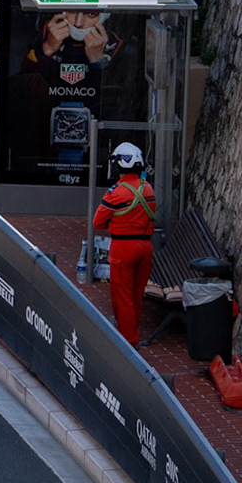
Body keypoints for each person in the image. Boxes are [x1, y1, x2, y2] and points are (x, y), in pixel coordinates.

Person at [92, 142, 157, 345]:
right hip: (145, 248)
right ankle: (132, 334)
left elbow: (98, 222)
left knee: (123, 298)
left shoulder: (115, 193)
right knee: (137, 296)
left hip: (123, 248)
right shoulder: (148, 189)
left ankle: (129, 342)